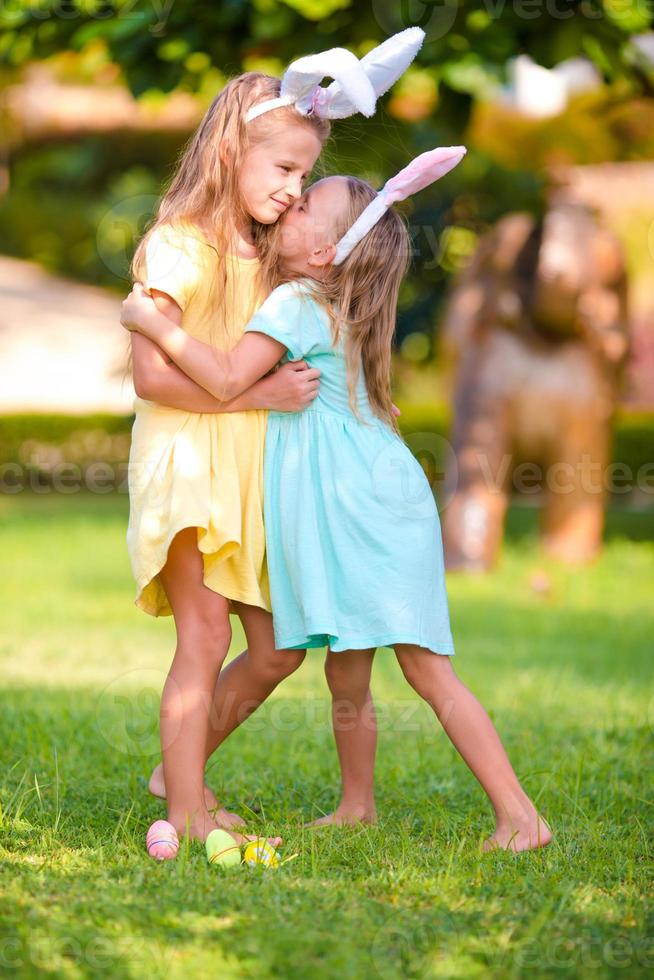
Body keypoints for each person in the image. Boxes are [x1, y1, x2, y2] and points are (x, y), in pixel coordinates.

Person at [122, 148, 553, 852]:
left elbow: (230, 376)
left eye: (304, 207)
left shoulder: (295, 302)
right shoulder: (344, 309)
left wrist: (154, 324)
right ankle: (357, 805)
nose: (288, 206)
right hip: (386, 500)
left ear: (324, 251)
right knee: (348, 668)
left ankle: (521, 817)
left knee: (425, 669)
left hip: (360, 511)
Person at [125, 32, 427, 853]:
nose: (295, 193)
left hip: (252, 471)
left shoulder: (266, 258)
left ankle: (176, 773)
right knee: (207, 636)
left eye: (304, 177)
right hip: (188, 458)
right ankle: (188, 806)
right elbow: (152, 379)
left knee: (277, 648)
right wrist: (252, 393)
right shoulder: (177, 245)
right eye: (285, 171)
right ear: (231, 151)